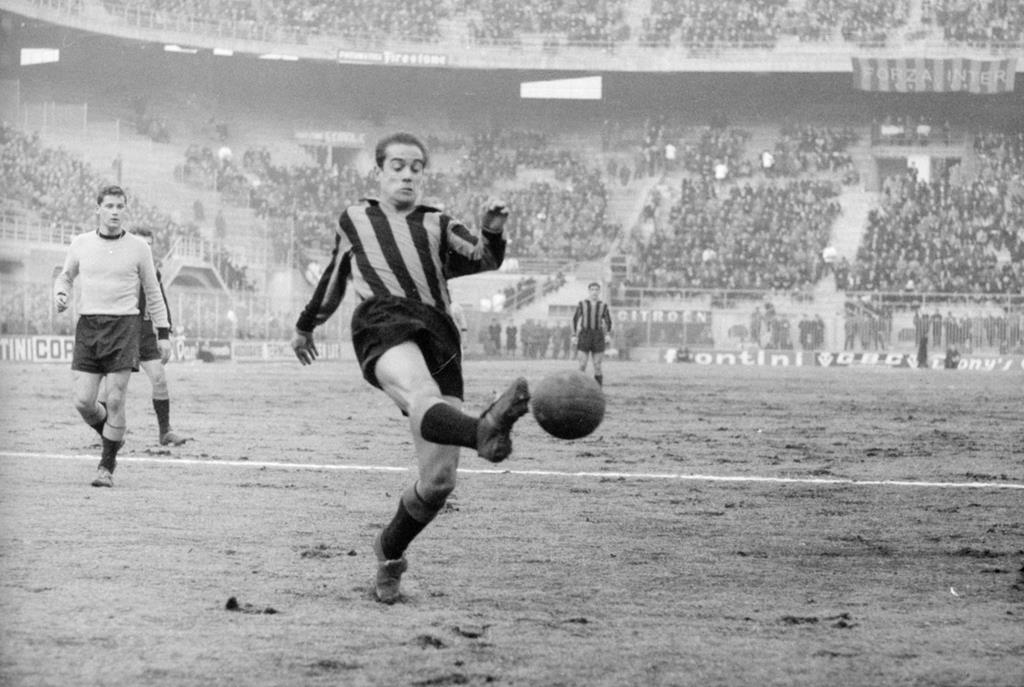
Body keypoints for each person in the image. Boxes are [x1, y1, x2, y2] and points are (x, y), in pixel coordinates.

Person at [289, 132, 530, 604]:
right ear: (379, 171)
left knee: (439, 482)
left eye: (416, 168)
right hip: (382, 318)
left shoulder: (438, 222)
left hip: (439, 329)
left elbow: (482, 257)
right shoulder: (356, 218)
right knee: (421, 393)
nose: (407, 175)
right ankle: (482, 429)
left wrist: (492, 230)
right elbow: (333, 278)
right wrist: (305, 325)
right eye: (397, 166)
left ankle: (389, 552)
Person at [53, 185, 172, 487]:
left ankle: (106, 466)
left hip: (124, 326)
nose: (115, 212)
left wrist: (163, 332)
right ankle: (113, 436)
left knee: (116, 399)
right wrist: (61, 294)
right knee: (84, 401)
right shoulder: (80, 244)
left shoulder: (139, 248)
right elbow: (65, 277)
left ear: (125, 209)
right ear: (98, 208)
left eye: (120, 206)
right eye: (109, 206)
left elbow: (153, 291)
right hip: (89, 326)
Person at [129, 227, 188, 447]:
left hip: (144, 333)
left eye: (149, 244)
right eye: (140, 243)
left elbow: (160, 301)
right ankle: (104, 433)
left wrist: (165, 333)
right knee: (114, 387)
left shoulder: (154, 271)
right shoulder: (120, 267)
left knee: (160, 379)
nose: (145, 248)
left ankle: (165, 431)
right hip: (121, 330)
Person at [572, 282, 612, 386]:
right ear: (589, 291)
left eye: (596, 290)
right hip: (585, 335)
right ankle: (579, 388)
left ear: (599, 291)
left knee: (597, 365)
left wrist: (607, 334)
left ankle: (598, 389)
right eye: (592, 289)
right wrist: (574, 335)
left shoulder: (603, 305)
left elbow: (608, 321)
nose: (594, 292)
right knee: (582, 365)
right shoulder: (582, 304)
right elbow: (575, 319)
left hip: (598, 335)